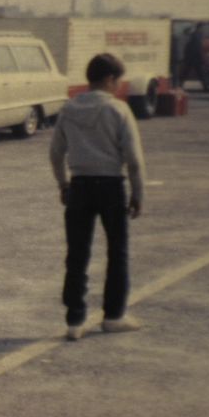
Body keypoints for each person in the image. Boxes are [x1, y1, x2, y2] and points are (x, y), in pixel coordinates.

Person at [49, 52, 146, 340]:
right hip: (111, 186)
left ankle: (75, 320)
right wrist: (138, 194)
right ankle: (114, 316)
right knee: (118, 252)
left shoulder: (69, 109)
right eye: (118, 80)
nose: (119, 86)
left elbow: (55, 153)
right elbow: (134, 160)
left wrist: (63, 183)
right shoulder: (118, 110)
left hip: (79, 185)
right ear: (108, 79)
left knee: (77, 254)